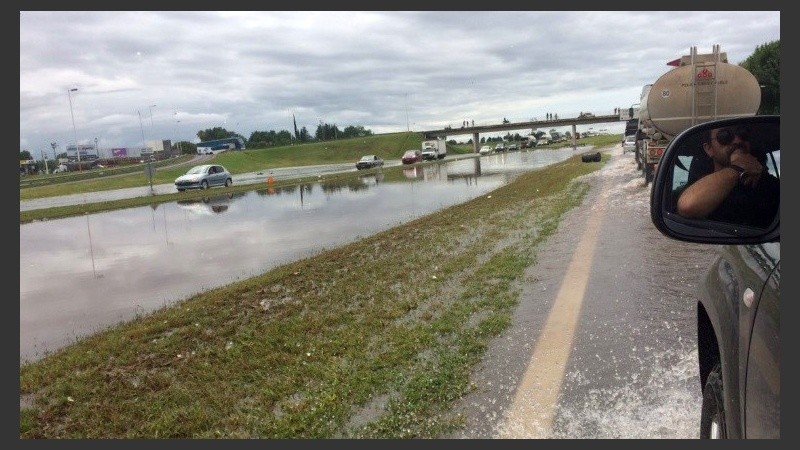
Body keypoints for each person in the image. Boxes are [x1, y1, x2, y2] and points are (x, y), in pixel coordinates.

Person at [677, 125, 779, 228]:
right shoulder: (694, 188)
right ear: (709, 149)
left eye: (743, 133)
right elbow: (687, 205)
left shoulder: (771, 186)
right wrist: (737, 168)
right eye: (724, 136)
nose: (737, 140)